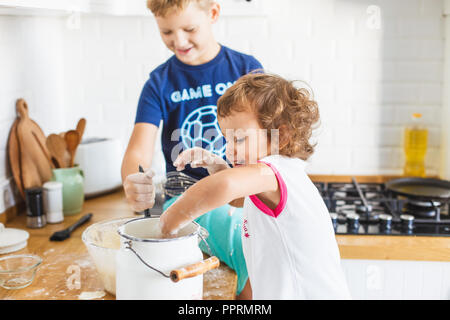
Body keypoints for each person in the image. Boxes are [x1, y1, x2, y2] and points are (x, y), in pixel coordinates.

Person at [159, 73, 352, 299]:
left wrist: (169, 222)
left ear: (281, 136)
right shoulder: (273, 178)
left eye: (239, 139)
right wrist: (217, 165)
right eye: (226, 139)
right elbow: (238, 198)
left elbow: (226, 185)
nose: (229, 150)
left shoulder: (274, 169)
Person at [121, 0, 262, 299]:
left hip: (242, 194)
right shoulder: (159, 83)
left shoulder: (247, 69)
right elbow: (138, 151)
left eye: (189, 28)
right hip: (183, 200)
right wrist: (135, 180)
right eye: (167, 31)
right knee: (246, 241)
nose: (179, 41)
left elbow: (266, 139)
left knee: (258, 242)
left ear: (213, 13)